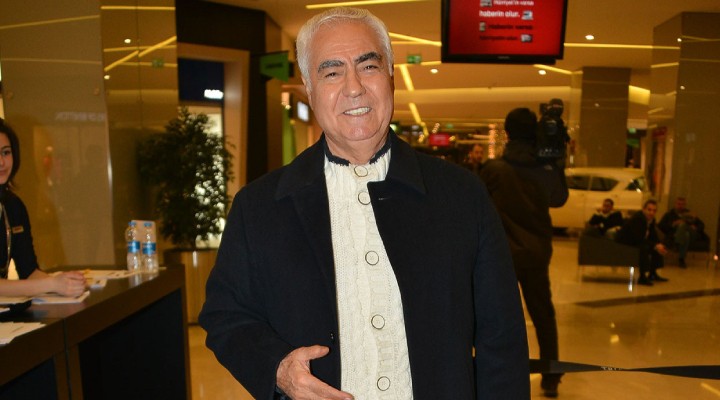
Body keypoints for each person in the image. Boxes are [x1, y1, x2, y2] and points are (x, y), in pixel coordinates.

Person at [199, 7, 529, 400]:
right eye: (332, 72)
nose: (353, 87)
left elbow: (501, 338)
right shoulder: (260, 207)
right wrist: (278, 368)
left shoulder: (460, 195)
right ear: (309, 87)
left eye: (368, 66)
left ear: (391, 77)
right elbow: (225, 313)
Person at [479, 107, 568, 398]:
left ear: (507, 133)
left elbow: (480, 210)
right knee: (543, 315)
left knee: (497, 318)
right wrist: (556, 164)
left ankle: (497, 375)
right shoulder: (543, 168)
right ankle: (550, 377)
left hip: (502, 255)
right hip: (536, 253)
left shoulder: (494, 170)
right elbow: (559, 199)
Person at [0, 119, 86, 298]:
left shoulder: (13, 206)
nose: (1, 162)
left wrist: (65, 282)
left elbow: (29, 271)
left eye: (5, 152)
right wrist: (51, 284)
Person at [615, 199, 668, 285]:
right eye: (649, 210)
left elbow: (652, 235)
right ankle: (642, 276)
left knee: (656, 247)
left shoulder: (651, 220)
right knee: (643, 248)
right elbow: (638, 238)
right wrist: (655, 245)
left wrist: (658, 245)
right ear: (644, 209)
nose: (651, 213)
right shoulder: (638, 219)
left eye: (654, 210)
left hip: (636, 241)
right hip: (625, 242)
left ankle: (653, 273)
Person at [658, 197, 705, 268]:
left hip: (691, 234)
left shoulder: (689, 214)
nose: (680, 206)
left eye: (682, 204)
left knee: (683, 226)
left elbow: (702, 225)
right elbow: (661, 226)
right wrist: (673, 224)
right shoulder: (669, 215)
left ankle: (677, 242)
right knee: (686, 235)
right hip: (681, 235)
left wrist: (695, 227)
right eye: (679, 204)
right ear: (675, 204)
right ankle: (681, 259)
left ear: (685, 205)